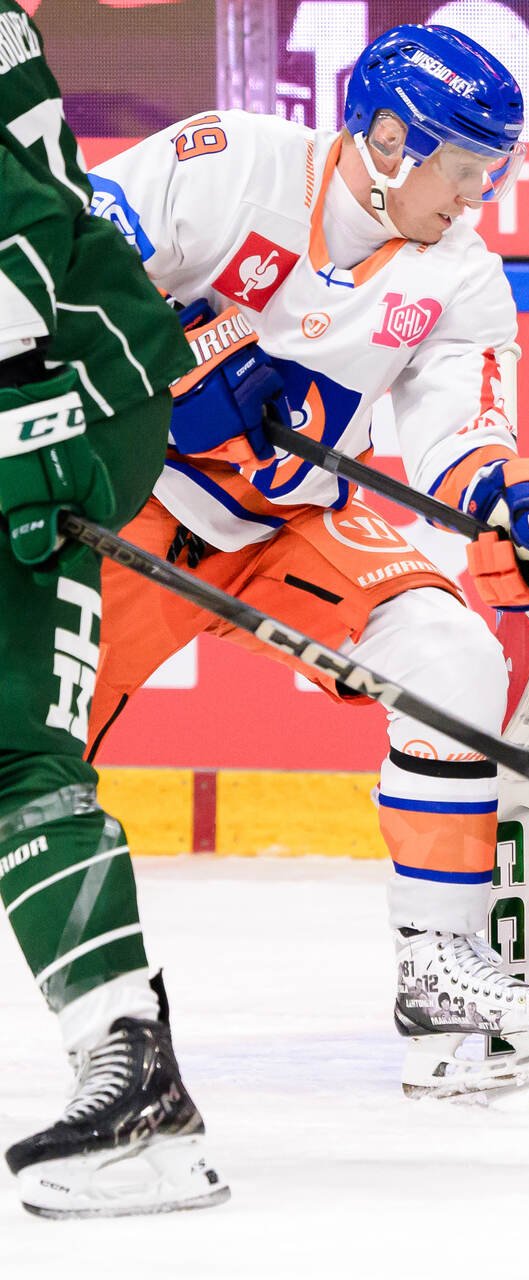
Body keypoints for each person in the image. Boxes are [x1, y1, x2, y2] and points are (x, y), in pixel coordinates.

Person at [82, 24, 529, 1091]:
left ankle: (438, 963)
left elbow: (463, 439)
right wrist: (183, 357)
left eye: (492, 173)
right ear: (392, 139)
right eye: (462, 167)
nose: (473, 195)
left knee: (450, 651)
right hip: (128, 507)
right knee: (20, 756)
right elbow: (66, 278)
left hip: (288, 526)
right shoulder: (229, 165)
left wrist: (512, 495)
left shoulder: (463, 277)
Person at [0, 0, 228, 1216]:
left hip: (61, 384)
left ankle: (133, 1080)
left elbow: (25, 231)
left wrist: (34, 430)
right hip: (40, 373)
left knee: (14, 750)